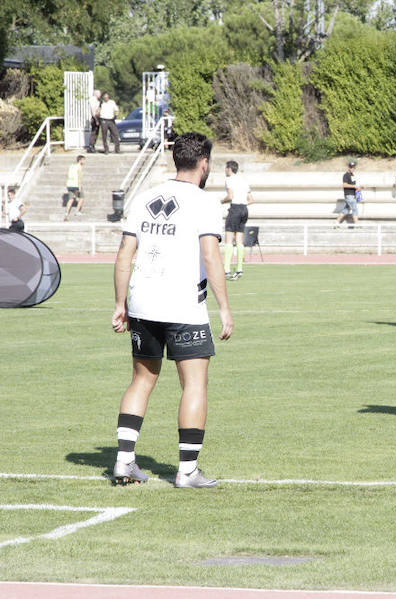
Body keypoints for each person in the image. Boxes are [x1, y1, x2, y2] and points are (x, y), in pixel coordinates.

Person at [110, 132, 233, 488]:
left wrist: (120, 304)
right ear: (205, 163)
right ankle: (187, 471)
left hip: (142, 304)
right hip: (183, 307)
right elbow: (211, 256)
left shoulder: (145, 197)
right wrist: (224, 308)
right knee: (194, 384)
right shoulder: (204, 202)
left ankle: (123, 461)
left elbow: (124, 255)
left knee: (141, 380)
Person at [221, 160, 254, 280]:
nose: (225, 170)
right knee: (239, 240)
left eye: (226, 168)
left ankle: (226, 269)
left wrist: (220, 201)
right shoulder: (243, 181)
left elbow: (230, 196)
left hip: (235, 208)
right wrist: (242, 205)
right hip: (244, 209)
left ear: (229, 169)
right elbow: (251, 199)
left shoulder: (229, 180)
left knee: (229, 239)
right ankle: (240, 268)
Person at [336, 160, 361, 227]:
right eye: (351, 167)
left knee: (346, 210)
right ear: (348, 167)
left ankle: (336, 223)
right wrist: (354, 186)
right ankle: (357, 225)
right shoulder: (346, 175)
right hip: (349, 195)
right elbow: (345, 185)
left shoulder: (352, 175)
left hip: (352, 195)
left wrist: (358, 188)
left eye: (353, 167)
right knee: (355, 209)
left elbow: (353, 185)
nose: (352, 168)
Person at [64, 155, 86, 221]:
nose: (84, 162)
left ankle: (66, 213)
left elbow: (68, 175)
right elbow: (79, 177)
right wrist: (79, 186)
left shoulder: (71, 166)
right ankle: (77, 211)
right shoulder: (79, 167)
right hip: (76, 184)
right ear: (80, 160)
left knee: (70, 199)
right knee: (82, 197)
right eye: (83, 160)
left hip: (70, 184)